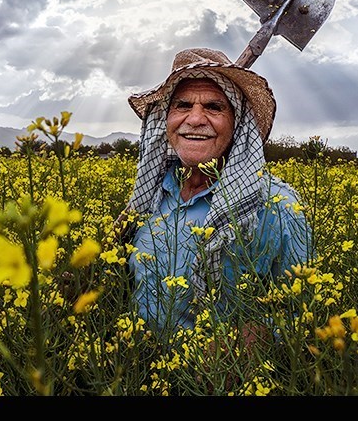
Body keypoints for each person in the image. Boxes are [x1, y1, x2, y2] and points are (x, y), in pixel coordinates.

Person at [117, 47, 314, 337]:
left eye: (214, 107)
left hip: (220, 380)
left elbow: (303, 314)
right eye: (182, 105)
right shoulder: (148, 198)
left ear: (237, 125)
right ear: (165, 118)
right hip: (137, 372)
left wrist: (250, 342)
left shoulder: (278, 207)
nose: (195, 119)